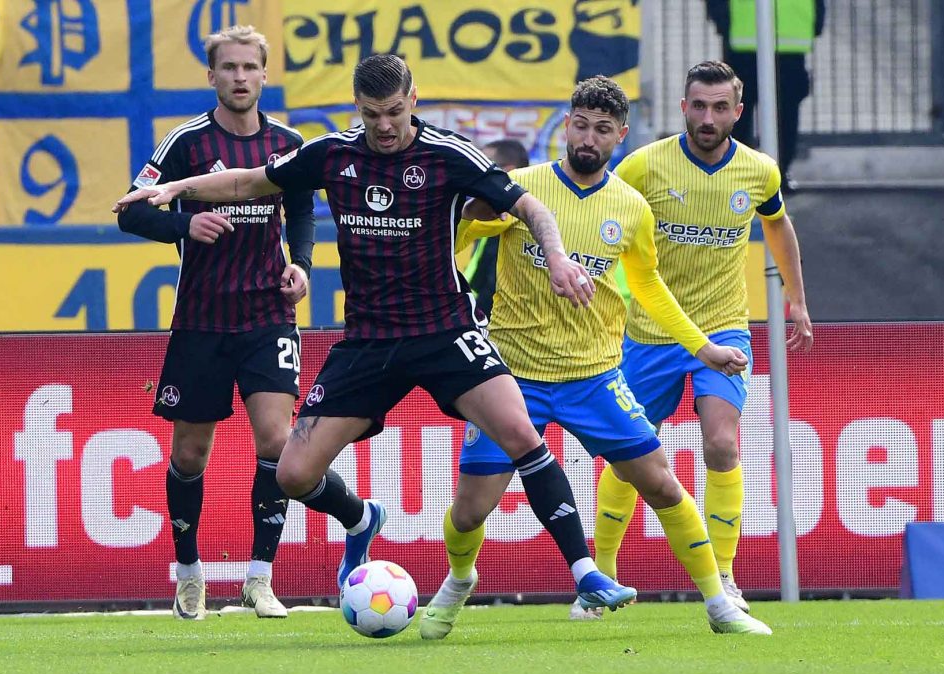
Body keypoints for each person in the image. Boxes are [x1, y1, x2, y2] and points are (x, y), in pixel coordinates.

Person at [115, 53, 637, 620]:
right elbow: (248, 180)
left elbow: (529, 205)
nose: (384, 126)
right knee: (291, 474)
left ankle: (586, 573)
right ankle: (362, 520)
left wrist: (558, 258)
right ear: (357, 109)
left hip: (445, 331)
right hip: (368, 343)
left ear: (412, 100)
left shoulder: (447, 154)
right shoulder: (334, 153)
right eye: (371, 114)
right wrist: (177, 190)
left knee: (520, 432)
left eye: (393, 112)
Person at [421, 75, 772, 638]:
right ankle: (459, 579)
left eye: (603, 129)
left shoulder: (631, 207)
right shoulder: (520, 188)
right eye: (581, 124)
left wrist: (701, 346)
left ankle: (719, 602)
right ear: (567, 125)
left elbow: (650, 286)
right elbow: (454, 242)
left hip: (594, 376)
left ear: (620, 136)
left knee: (661, 483)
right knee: (469, 511)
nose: (589, 137)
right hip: (513, 378)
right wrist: (453, 290)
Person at [581, 60, 813, 619]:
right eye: (698, 106)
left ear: (738, 111)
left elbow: (777, 223)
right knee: (627, 459)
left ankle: (725, 578)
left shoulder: (759, 172)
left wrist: (797, 299)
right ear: (684, 108)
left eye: (719, 107)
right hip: (650, 333)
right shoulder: (642, 167)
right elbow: (594, 206)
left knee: (721, 444)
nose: (708, 118)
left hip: (725, 325)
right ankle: (602, 576)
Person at [116, 26, 316, 620]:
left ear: (263, 74)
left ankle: (260, 577)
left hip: (268, 316)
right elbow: (130, 212)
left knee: (278, 443)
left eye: (249, 67)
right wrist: (184, 226)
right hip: (202, 321)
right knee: (190, 455)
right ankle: (188, 573)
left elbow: (300, 206)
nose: (239, 77)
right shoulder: (184, 143)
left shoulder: (287, 143)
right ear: (212, 76)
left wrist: (301, 265)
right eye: (228, 68)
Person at [706, 0, 826, 189]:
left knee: (777, 112)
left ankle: (773, 173)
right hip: (761, 38)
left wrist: (722, 20)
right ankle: (742, 173)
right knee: (744, 114)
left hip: (772, 38)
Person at [463, 139, 530, 317]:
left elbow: (491, 285)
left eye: (483, 166)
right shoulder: (484, 210)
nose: (474, 173)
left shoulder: (506, 218)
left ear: (506, 172)